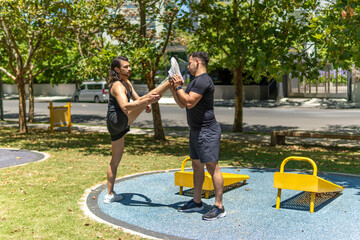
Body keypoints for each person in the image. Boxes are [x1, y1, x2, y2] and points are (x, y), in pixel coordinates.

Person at [104, 56, 170, 203]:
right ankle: (170, 80)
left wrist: (143, 103)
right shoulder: (118, 86)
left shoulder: (127, 83)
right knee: (150, 96)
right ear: (117, 69)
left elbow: (137, 99)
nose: (129, 68)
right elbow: (125, 106)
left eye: (129, 66)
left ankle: (109, 194)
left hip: (116, 124)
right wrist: (146, 102)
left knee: (115, 160)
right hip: (117, 119)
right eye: (126, 67)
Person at [170, 51, 226, 220]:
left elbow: (189, 101)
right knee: (196, 166)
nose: (188, 67)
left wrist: (179, 87)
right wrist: (174, 89)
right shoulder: (195, 81)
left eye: (189, 63)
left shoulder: (203, 80)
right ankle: (197, 202)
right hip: (195, 130)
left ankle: (219, 206)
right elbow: (183, 104)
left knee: (212, 167)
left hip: (207, 130)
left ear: (197, 62)